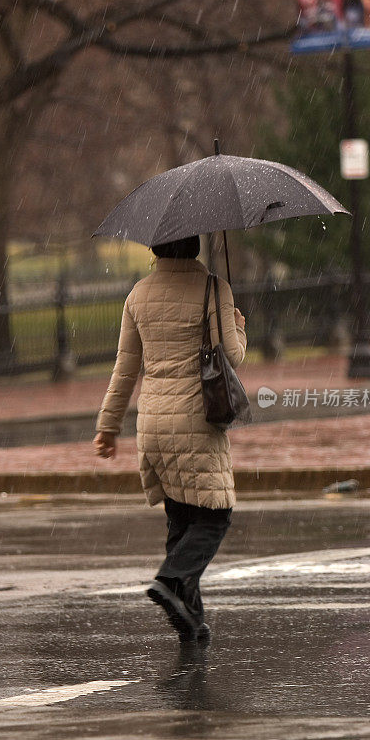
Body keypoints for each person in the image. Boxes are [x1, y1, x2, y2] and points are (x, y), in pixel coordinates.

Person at [93, 236, 247, 644]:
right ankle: (172, 580)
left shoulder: (137, 295)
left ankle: (190, 621)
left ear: (155, 249)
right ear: (194, 247)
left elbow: (125, 369)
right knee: (215, 514)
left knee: (182, 515)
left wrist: (108, 427)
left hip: (154, 423)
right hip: (196, 418)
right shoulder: (214, 287)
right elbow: (231, 356)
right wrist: (238, 329)